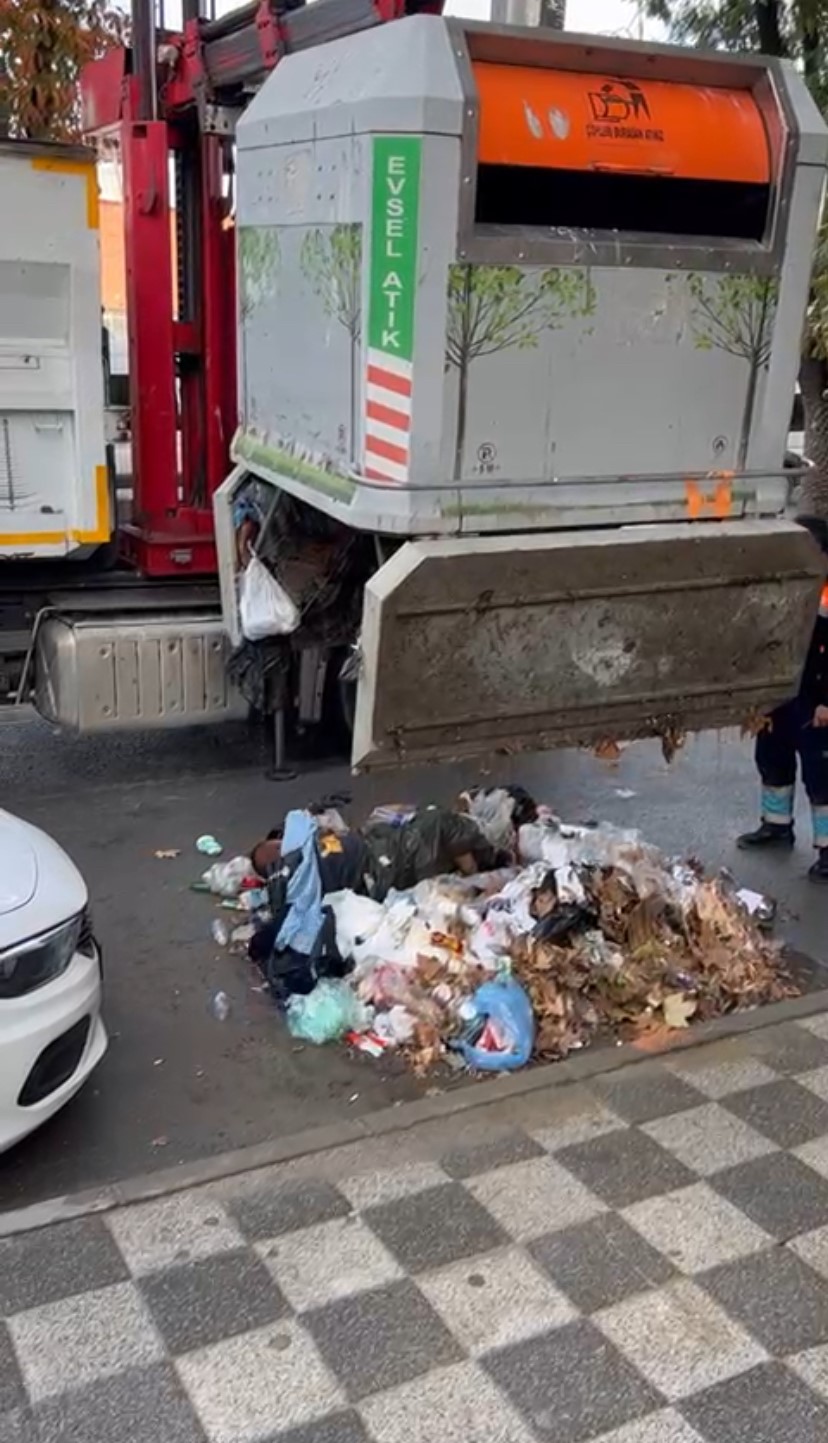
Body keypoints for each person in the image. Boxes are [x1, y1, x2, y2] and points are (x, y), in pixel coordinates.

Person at [738, 517, 828, 881]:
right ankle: (776, 825)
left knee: (822, 776)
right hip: (784, 689)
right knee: (772, 756)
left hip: (818, 697)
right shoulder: (787, 582)